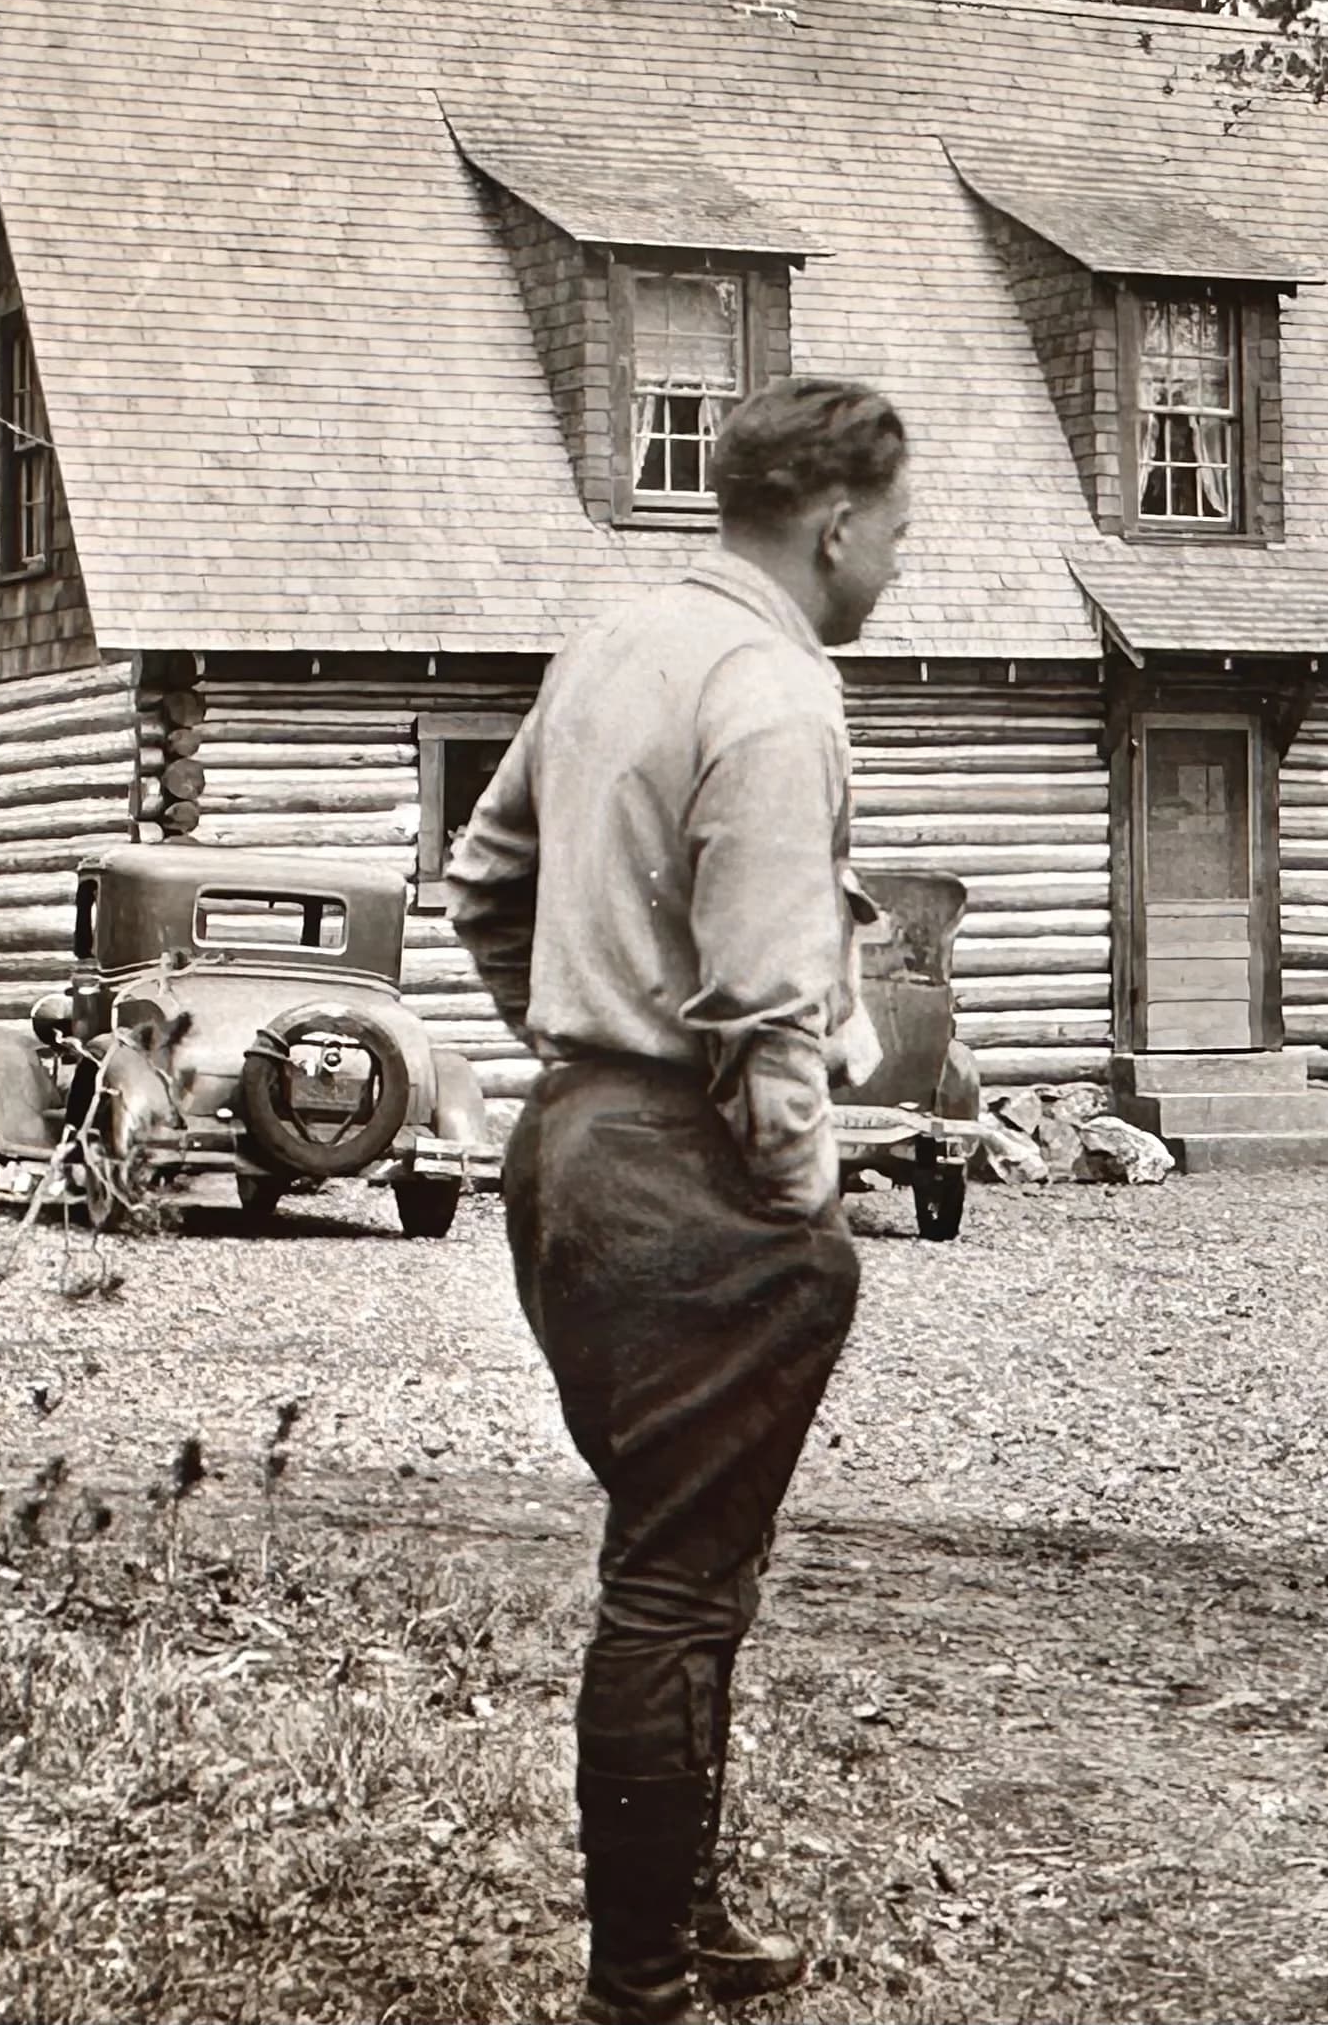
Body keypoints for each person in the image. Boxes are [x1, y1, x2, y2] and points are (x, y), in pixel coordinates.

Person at [445, 380, 912, 2025]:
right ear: (838, 523)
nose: (898, 569)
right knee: (670, 1586)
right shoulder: (777, 693)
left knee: (685, 1567)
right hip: (692, 1187)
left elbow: (483, 884)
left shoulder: (612, 644)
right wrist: (801, 1204)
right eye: (898, 535)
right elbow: (775, 1022)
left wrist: (586, 1048)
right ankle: (638, 1983)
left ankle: (682, 1921)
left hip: (571, 1160)